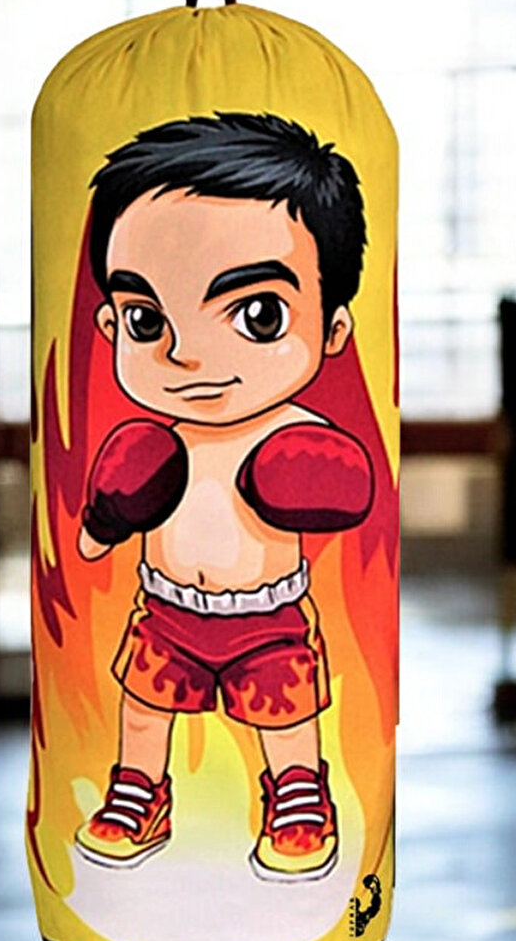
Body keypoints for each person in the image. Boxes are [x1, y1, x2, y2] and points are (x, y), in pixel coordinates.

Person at [73, 112, 373, 881]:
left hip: (267, 615)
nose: (187, 354)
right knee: (144, 707)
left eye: (257, 315)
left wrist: (311, 478)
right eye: (146, 320)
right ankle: (140, 790)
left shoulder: (294, 434)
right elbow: (116, 502)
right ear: (110, 322)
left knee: (287, 713)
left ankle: (298, 793)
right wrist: (104, 522)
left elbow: (346, 486)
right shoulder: (155, 442)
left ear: (333, 329)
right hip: (166, 606)